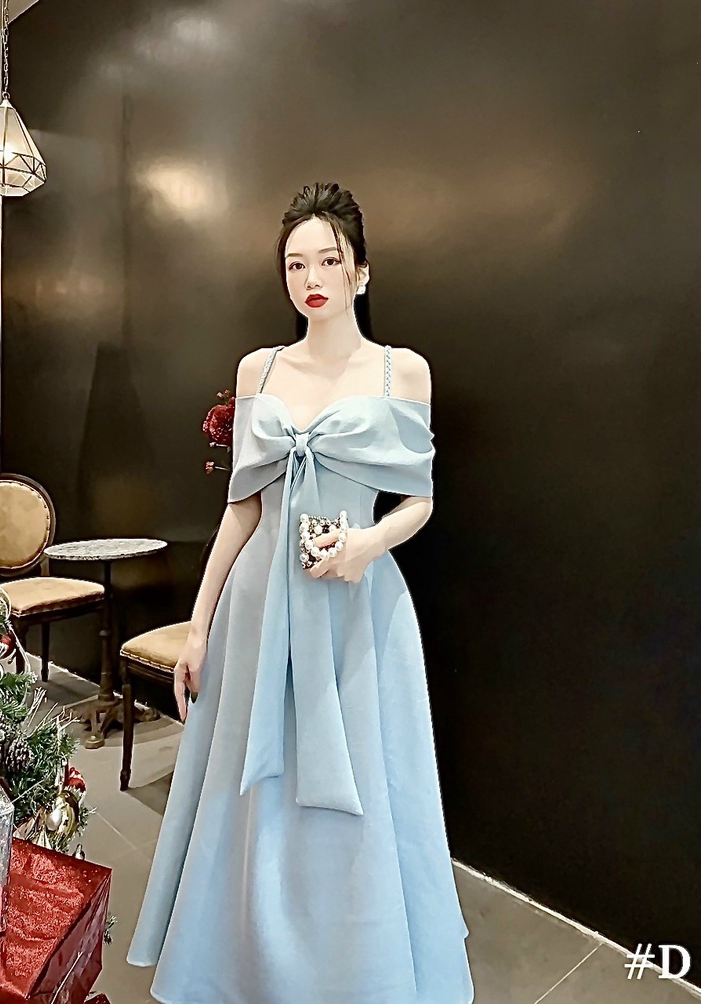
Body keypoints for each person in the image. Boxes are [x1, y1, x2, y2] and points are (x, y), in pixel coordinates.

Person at [127, 182, 474, 1004]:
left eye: (328, 260)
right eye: (294, 264)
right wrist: (200, 625)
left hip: (358, 608)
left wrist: (367, 545)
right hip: (258, 607)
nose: (311, 278)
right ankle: (250, 962)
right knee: (256, 786)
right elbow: (242, 509)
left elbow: (419, 500)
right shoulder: (261, 369)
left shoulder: (401, 370)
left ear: (361, 272)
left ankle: (360, 968)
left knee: (366, 783)